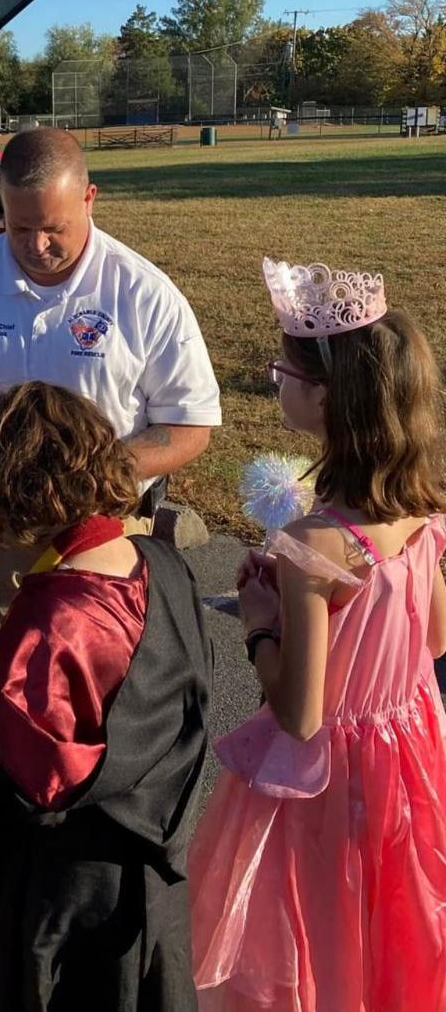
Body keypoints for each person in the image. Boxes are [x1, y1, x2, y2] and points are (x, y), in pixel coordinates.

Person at [188, 259, 446, 1010]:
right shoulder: (423, 512)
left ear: (326, 396)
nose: (278, 383)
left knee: (326, 927)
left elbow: (301, 715)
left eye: (284, 372)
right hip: (409, 761)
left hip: (333, 781)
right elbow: (433, 642)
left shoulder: (312, 544)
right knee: (395, 917)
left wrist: (260, 625)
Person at [0, 127, 221, 675]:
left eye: (54, 229)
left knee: (108, 688)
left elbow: (190, 424)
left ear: (89, 198)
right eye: (20, 228)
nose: (36, 245)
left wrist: (96, 475)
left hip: (105, 534)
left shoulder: (143, 293)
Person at [0, 381, 212, 1011]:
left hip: (66, 894)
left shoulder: (50, 620)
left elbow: (38, 783)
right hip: (155, 861)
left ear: (5, 494)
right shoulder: (162, 564)